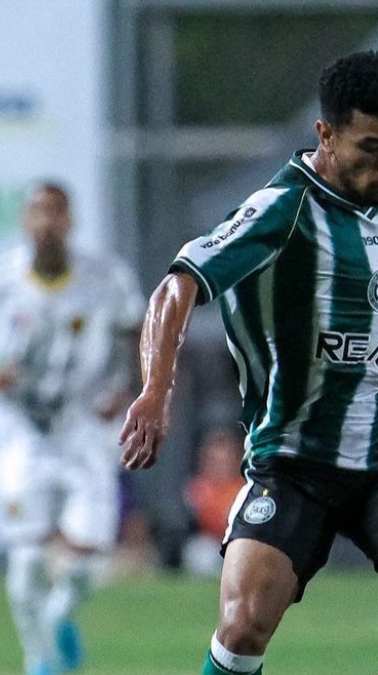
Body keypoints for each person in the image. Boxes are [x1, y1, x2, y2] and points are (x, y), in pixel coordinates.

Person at [118, 50, 378, 675]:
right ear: (326, 134)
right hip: (292, 461)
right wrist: (156, 391)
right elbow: (174, 288)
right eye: (372, 145)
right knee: (240, 635)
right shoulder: (282, 210)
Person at [0, 183, 144, 675]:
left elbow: (138, 330)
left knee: (86, 562)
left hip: (84, 429)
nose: (47, 223)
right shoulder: (5, 278)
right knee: (23, 568)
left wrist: (126, 388)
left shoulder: (106, 278)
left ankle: (59, 617)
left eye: (56, 213)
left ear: (71, 220)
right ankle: (40, 663)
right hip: (21, 431)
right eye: (38, 213)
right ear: (25, 221)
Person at [182, 429, 246, 577]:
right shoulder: (197, 488)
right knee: (199, 554)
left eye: (225, 460)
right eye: (216, 461)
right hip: (210, 545)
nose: (221, 466)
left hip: (237, 546)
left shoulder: (244, 487)